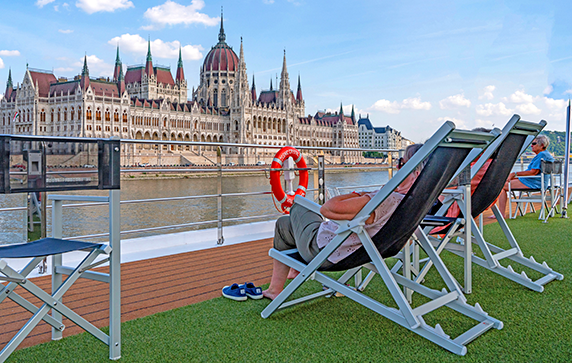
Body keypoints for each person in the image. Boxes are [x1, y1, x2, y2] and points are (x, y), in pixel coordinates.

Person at [262, 144, 424, 300]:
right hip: (360, 251)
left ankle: (290, 274)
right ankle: (275, 288)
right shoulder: (415, 203)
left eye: (401, 164)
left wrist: (361, 194)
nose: (397, 168)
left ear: (415, 174)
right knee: (284, 224)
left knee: (298, 204)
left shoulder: (387, 200)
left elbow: (328, 209)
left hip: (324, 251)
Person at [495, 135, 554, 219]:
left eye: (534, 143)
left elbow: (533, 172)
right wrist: (513, 176)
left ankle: (501, 214)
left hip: (534, 182)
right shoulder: (546, 154)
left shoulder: (542, 155)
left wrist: (514, 174)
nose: (531, 145)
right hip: (538, 181)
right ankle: (501, 213)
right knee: (505, 180)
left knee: (501, 186)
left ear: (542, 145)